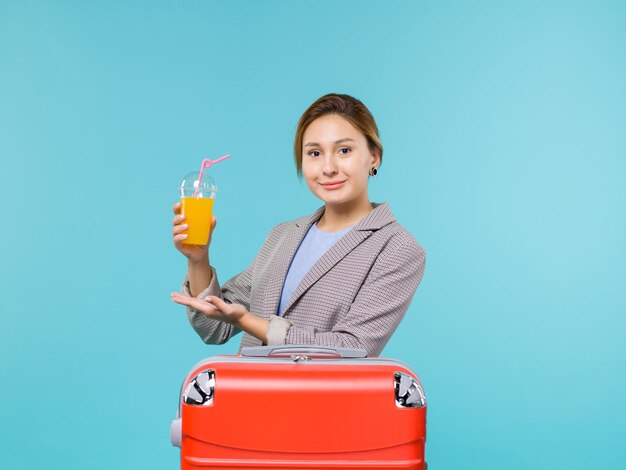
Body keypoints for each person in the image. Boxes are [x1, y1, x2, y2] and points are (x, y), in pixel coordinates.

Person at [170, 93, 425, 356]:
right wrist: (198, 259)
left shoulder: (397, 249)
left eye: (344, 150)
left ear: (374, 157)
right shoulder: (283, 235)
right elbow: (213, 327)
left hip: (320, 397)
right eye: (314, 153)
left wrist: (247, 321)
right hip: (248, 395)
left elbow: (353, 348)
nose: (328, 167)